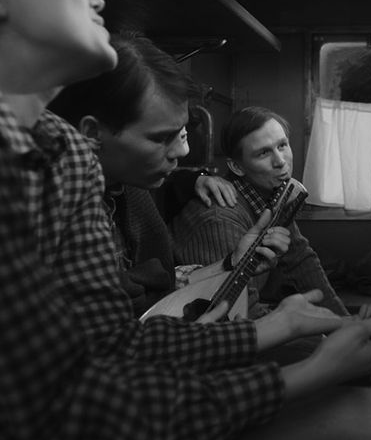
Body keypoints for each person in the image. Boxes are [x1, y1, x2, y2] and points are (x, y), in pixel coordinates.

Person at [0, 0, 371, 440]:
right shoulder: (27, 164)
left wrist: (282, 322)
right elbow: (58, 414)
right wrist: (305, 373)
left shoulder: (66, 154)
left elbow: (115, 343)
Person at [48, 32, 243, 315]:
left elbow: (160, 288)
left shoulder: (128, 189)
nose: (183, 151)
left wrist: (231, 263)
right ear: (91, 133)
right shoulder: (47, 218)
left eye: (182, 133)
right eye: (161, 138)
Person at [171, 106, 349, 318]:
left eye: (282, 145)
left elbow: (302, 262)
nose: (280, 161)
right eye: (264, 153)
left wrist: (346, 324)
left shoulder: (274, 197)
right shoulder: (219, 219)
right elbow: (238, 312)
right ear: (237, 167)